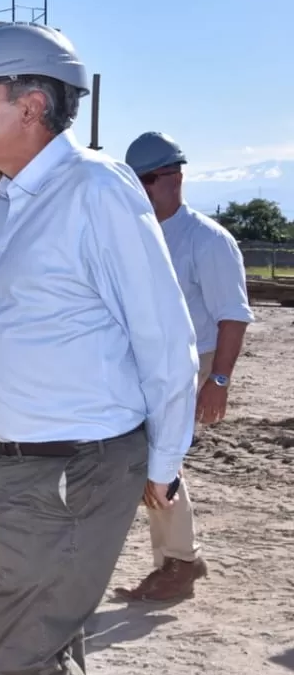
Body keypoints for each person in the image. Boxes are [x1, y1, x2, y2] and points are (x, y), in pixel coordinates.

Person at [0, 23, 199, 674]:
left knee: (8, 659)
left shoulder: (95, 189)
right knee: (46, 648)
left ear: (31, 105)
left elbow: (164, 334)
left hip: (72, 471)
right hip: (12, 468)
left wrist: (165, 459)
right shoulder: (16, 197)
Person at [115, 131, 253, 603]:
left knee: (159, 458)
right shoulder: (141, 234)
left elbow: (233, 316)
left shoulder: (208, 241)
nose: (139, 190)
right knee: (146, 459)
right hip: (148, 365)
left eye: (146, 180)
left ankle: (180, 561)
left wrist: (219, 380)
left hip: (194, 364)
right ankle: (177, 561)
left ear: (173, 178)